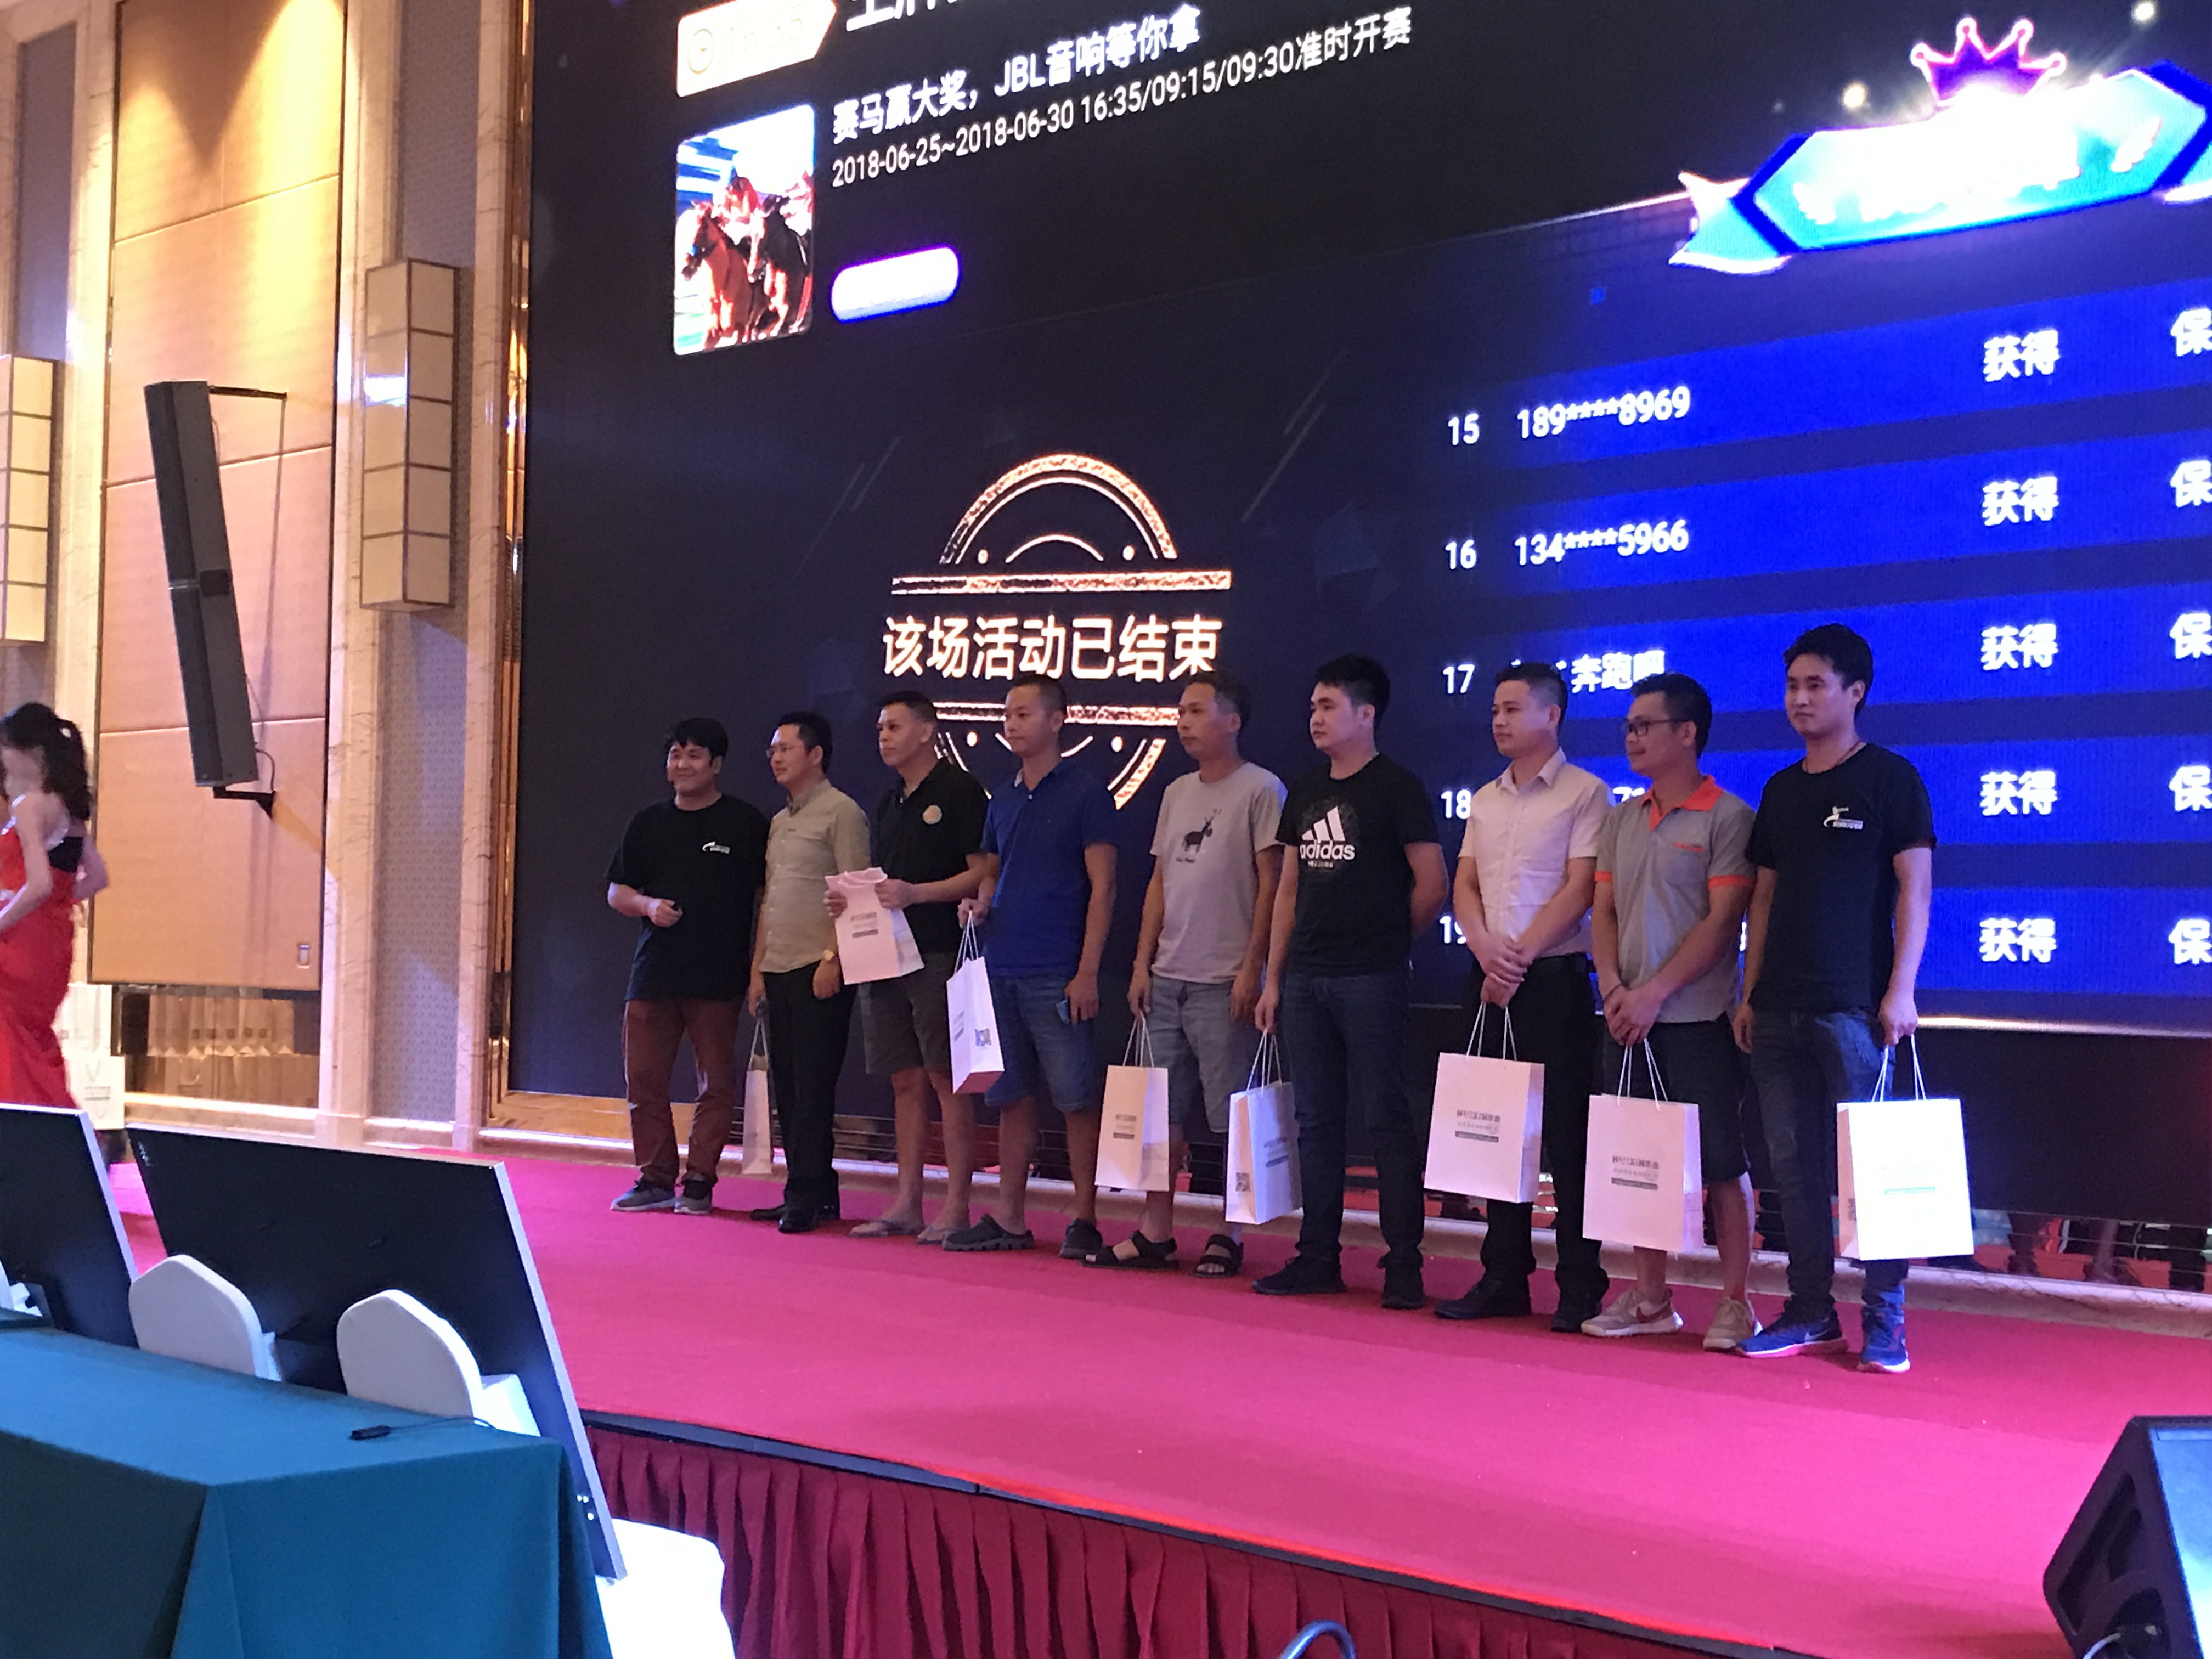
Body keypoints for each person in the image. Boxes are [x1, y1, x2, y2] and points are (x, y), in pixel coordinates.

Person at [1733, 624, 1934, 1374]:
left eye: (1816, 685)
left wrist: (1901, 989)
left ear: (1856, 692)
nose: (1800, 699)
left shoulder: (1891, 778)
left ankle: (1885, 1321)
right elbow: (1763, 897)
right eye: (1792, 686)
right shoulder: (1781, 789)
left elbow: (1915, 890)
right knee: (1794, 1168)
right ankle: (1810, 1310)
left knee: (1872, 1169)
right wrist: (1749, 992)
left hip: (1856, 1007)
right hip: (1777, 1007)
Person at [1254, 655, 1446, 1308]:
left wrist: (1387, 942)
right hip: (1306, 977)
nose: (1315, 717)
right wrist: (1274, 978)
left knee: (1386, 1117)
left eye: (1329, 706)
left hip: (1372, 977)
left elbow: (1432, 884)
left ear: (1367, 714)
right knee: (1315, 1121)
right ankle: (1317, 1256)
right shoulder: (1306, 789)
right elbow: (1287, 890)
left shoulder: (1398, 787)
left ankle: (1404, 1264)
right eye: (1313, 706)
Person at [1582, 673, 1761, 1350]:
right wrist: (1613, 989)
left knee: (1722, 1164)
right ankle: (1651, 1298)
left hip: (1696, 1020)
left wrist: (1654, 993)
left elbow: (1722, 924)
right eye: (1628, 727)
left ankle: (1736, 1302)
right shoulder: (1621, 819)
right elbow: (1602, 913)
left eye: (1645, 726)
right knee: (1638, 1162)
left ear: (1687, 733)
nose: (1631, 737)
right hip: (1625, 1020)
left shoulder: (1728, 817)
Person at [1436, 661, 1611, 1331]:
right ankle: (1504, 1275)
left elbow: (1580, 887)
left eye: (1513, 709)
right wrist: (1485, 948)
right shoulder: (1485, 798)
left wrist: (1519, 958)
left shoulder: (1585, 793)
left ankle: (1580, 1284)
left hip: (1552, 979)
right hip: (1488, 977)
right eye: (1494, 711)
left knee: (1567, 1138)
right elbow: (1464, 885)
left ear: (1552, 714)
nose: (1500, 721)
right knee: (1495, 1132)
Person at [1097, 671, 1285, 1276]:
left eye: (1198, 711)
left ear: (1233, 721)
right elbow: (1159, 881)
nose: (1184, 721)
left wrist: (1253, 969)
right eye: (1181, 711)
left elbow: (1272, 885)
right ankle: (1156, 1229)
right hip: (1167, 975)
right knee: (1161, 1115)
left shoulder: (1262, 789)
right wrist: (1142, 963)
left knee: (1231, 1115)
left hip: (1224, 977)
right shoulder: (1177, 791)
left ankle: (1229, 1231)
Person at [944, 674, 1118, 1257]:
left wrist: (1087, 970)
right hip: (1000, 965)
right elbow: (992, 872)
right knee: (1010, 1096)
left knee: (1075, 1097)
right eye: (1007, 715)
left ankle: (1085, 1217)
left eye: (1023, 714)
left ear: (1056, 720)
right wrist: (979, 903)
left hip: (1057, 968)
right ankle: (1010, 1218)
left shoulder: (1086, 792)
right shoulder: (1003, 796)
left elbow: (1104, 887)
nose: (1011, 724)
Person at [831, 692, 989, 1243]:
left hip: (938, 950)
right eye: (880, 728)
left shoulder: (960, 790)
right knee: (904, 1079)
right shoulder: (889, 801)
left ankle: (958, 1206)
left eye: (895, 727)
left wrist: (917, 893)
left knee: (947, 1077)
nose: (884, 737)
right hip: (886, 953)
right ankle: (907, 1202)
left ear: (927, 731)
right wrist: (849, 900)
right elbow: (883, 883)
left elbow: (981, 874)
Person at [604, 718, 769, 1215]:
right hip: (653, 971)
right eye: (675, 754)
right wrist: (648, 905)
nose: (682, 764)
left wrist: (758, 969)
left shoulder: (745, 823)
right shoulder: (648, 822)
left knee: (715, 1083)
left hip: (718, 974)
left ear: (716, 764)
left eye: (694, 755)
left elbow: (767, 896)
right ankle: (654, 1178)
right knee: (643, 1080)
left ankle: (699, 1181)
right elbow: (617, 891)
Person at [747, 712, 872, 1234]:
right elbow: (771, 900)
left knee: (814, 1088)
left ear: (816, 754)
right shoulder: (780, 821)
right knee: (790, 1089)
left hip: (818, 966)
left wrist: (833, 958)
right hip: (778, 965)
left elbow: (858, 892)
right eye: (772, 750)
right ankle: (813, 1190)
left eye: (786, 748)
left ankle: (805, 1193)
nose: (776, 758)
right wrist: (757, 971)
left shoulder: (843, 812)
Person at [0, 704, 109, 1107]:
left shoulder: (29, 806)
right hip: (50, 942)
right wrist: (57, 905)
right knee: (31, 1039)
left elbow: (39, 884)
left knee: (13, 1040)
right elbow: (97, 878)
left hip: (21, 940)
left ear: (30, 752)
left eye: (6, 747)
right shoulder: (69, 810)